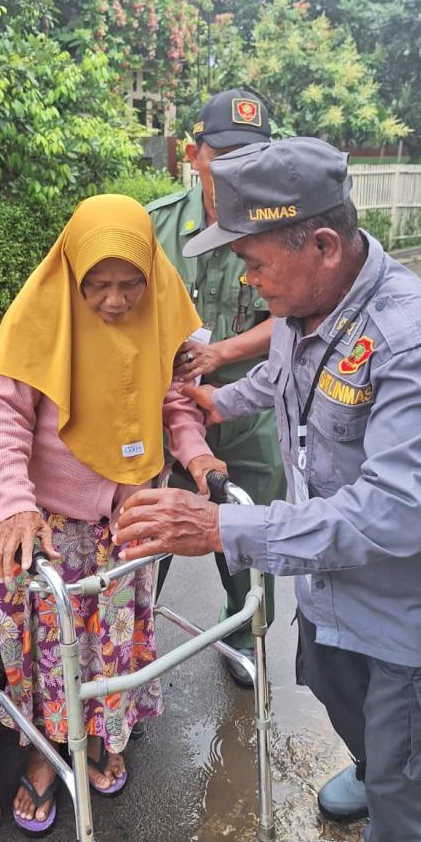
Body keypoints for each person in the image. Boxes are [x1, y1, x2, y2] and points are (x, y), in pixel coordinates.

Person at [115, 138, 421, 842]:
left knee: (409, 815)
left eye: (255, 262)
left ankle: (399, 802)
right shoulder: (307, 305)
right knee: (340, 696)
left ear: (321, 245)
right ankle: (377, 766)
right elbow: (287, 375)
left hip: (410, 615)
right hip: (332, 591)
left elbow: (392, 515)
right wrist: (221, 400)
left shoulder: (411, 343)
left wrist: (223, 527)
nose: (248, 279)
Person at [0, 194, 225, 835]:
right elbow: (4, 419)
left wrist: (196, 455)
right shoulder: (38, 318)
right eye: (98, 285)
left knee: (111, 642)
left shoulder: (159, 314)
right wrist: (17, 505)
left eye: (130, 285)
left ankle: (100, 734)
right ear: (72, 273)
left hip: (129, 517)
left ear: (151, 276)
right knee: (51, 647)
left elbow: (176, 400)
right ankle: (42, 752)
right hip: (53, 526)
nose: (115, 301)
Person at [146, 89, 285, 688]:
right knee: (148, 529)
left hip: (249, 408)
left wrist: (221, 353)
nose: (236, 169)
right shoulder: (152, 225)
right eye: (222, 154)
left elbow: (294, 317)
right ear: (193, 154)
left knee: (251, 536)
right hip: (161, 412)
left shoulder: (281, 226)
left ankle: (243, 633)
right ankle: (132, 640)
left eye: (251, 156)